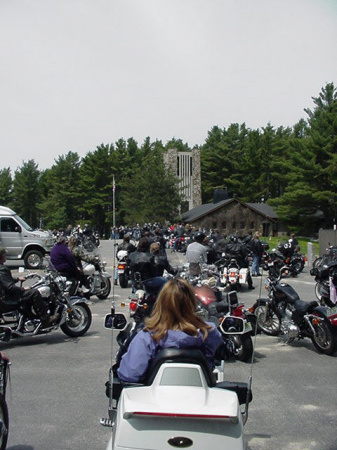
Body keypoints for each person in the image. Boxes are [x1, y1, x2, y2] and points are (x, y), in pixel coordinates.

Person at [117, 278, 223, 383]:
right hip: (198, 396)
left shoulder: (148, 336)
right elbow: (221, 355)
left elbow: (130, 375)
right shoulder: (208, 333)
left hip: (156, 398)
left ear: (160, 303)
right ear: (191, 303)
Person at [0, 247, 59, 327]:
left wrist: (17, 278)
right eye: (4, 254)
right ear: (1, 256)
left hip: (4, 296)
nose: (6, 255)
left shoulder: (1, 268)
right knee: (34, 292)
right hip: (8, 298)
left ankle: (30, 316)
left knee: (28, 293)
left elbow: (4, 280)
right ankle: (45, 319)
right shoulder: (2, 269)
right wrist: (23, 288)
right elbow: (9, 287)